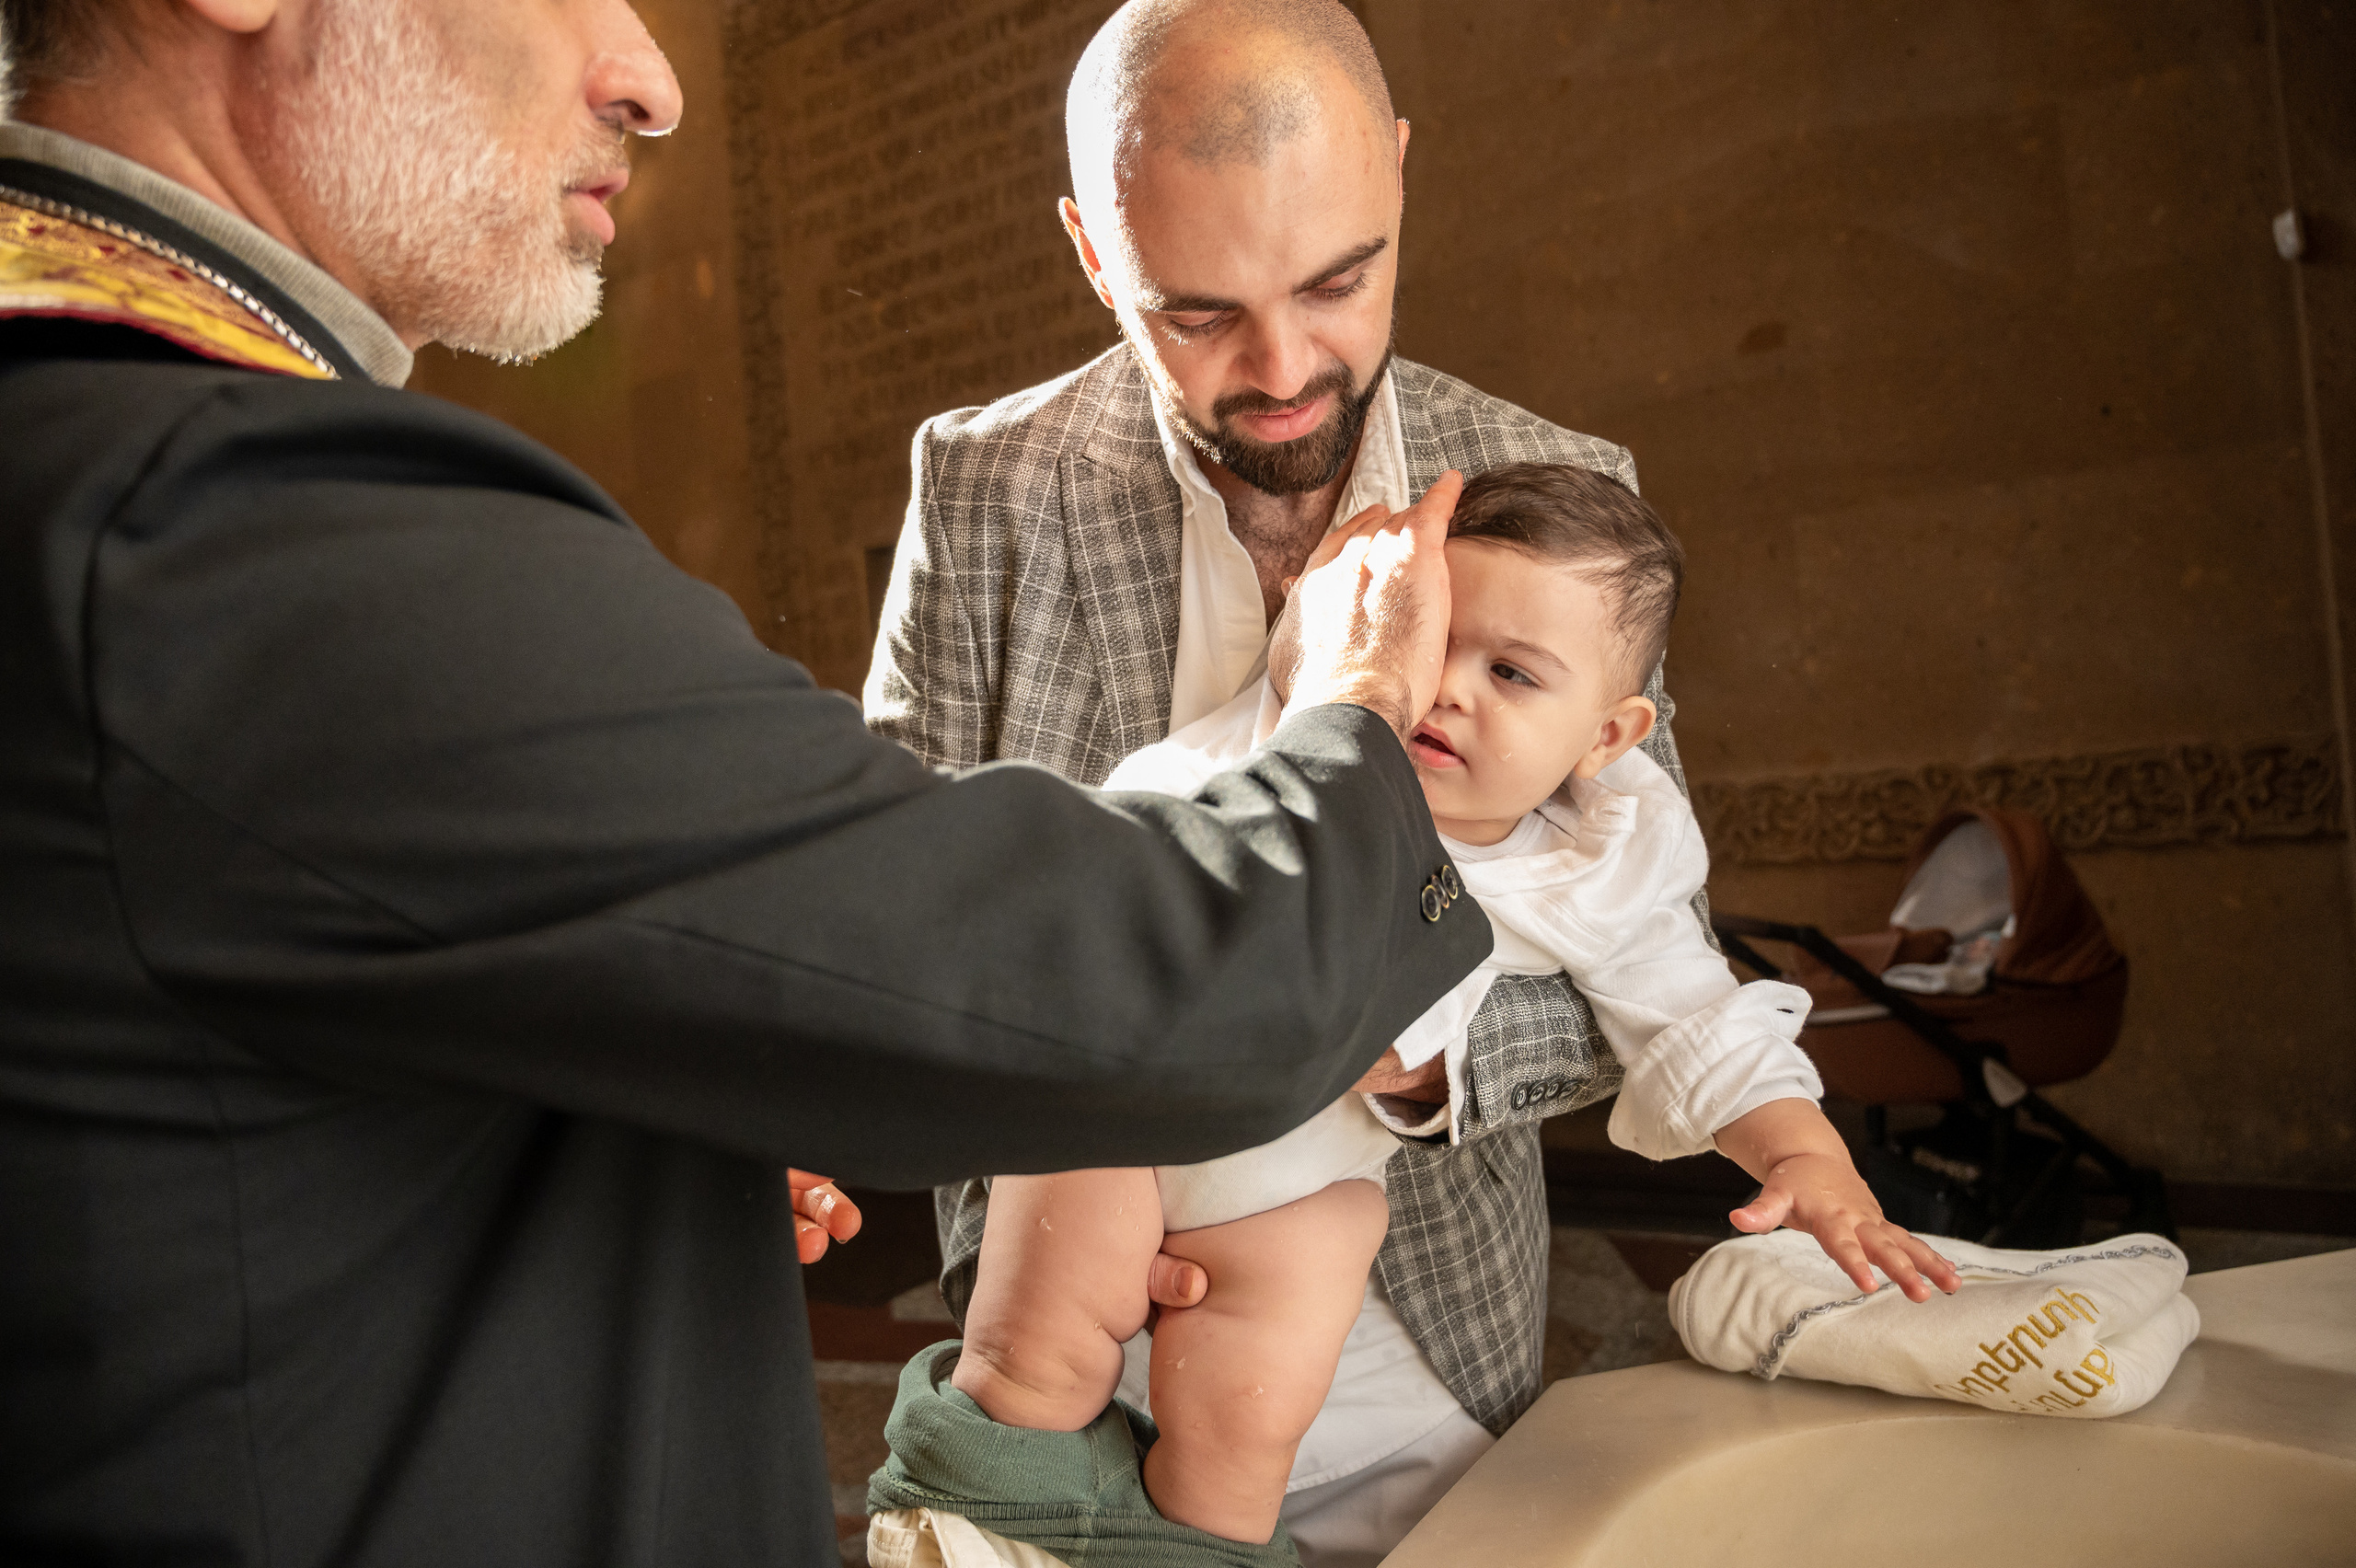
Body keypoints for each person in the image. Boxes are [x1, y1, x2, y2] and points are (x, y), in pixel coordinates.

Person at [0, 3, 1497, 1564]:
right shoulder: (243, 534)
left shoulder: (85, 467)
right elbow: (1119, 974)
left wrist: (675, 1117)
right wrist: (1363, 701)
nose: (648, 83)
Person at [865, 3, 1663, 1555]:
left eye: (1337, 280)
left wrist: (1400, 1053)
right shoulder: (981, 486)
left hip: (1426, 1351)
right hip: (1070, 1333)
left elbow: (1636, 949)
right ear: (1097, 257)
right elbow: (890, 907)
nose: (1286, 368)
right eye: (1199, 312)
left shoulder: (1575, 496)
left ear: (1401, 178)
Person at [944, 465, 1962, 1547]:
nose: (1448, 689)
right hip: (1117, 1113)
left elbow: (1694, 1016)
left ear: (1607, 737)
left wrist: (1806, 1159)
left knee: (1241, 1422)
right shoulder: (1295, 746)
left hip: (1289, 1190)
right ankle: (978, 1527)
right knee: (1026, 1364)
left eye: (1514, 673)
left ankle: (1204, 1550)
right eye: (1431, 644)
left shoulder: (1596, 855)